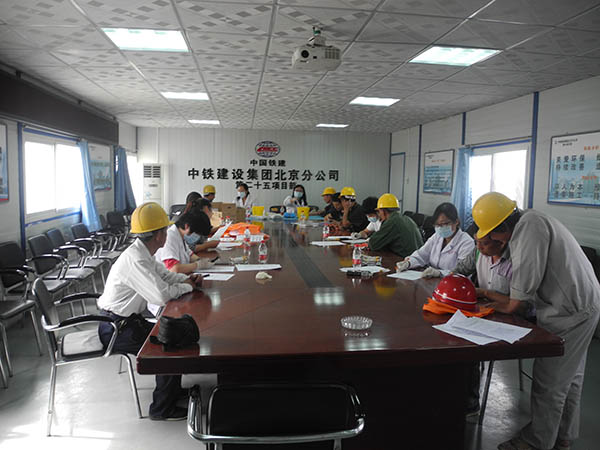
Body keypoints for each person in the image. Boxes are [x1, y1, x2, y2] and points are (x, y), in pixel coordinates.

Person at [471, 192, 600, 450]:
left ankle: (536, 441)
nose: (495, 241)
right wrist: (489, 296)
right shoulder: (531, 220)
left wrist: (486, 305)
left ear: (502, 227)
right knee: (570, 377)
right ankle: (564, 435)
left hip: (570, 310)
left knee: (550, 381)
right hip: (582, 303)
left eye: (493, 235)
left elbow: (517, 299)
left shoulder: (529, 229)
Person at [97, 202, 203, 421]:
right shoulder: (136, 259)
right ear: (159, 235)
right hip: (116, 328)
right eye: (165, 230)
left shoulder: (143, 253)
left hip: (127, 321)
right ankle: (162, 409)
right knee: (168, 347)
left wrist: (185, 279)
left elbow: (165, 276)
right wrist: (188, 287)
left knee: (174, 336)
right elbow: (160, 296)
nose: (167, 234)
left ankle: (173, 391)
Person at [397, 202, 474, 278]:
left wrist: (440, 273)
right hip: (432, 281)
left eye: (445, 224)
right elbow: (421, 255)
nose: (441, 228)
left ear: (456, 222)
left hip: (454, 284)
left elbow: (462, 272)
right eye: (437, 225)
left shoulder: (466, 242)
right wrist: (409, 263)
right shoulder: (437, 236)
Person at [155, 209, 214, 275]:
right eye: (197, 233)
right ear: (187, 226)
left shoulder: (180, 235)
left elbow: (190, 255)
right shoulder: (170, 237)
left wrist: (200, 260)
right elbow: (174, 268)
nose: (197, 237)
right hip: (167, 278)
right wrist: (198, 265)